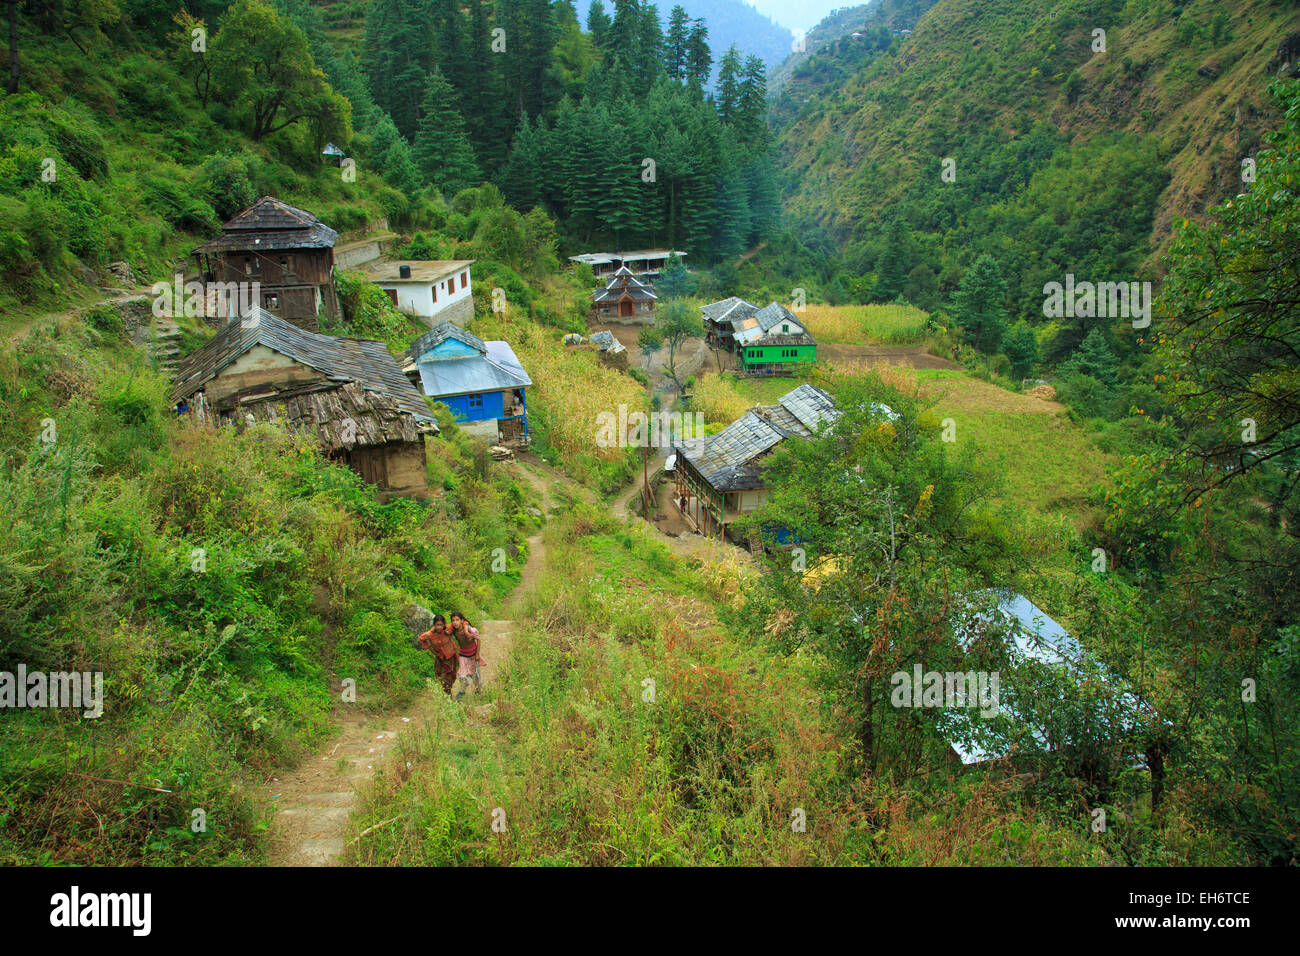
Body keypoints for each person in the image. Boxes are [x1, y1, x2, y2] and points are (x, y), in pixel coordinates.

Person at [418, 614, 458, 695]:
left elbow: (456, 624)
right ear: (434, 625)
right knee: (443, 678)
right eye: (437, 625)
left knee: (452, 677)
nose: (439, 627)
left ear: (444, 625)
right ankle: (447, 695)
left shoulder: (447, 630)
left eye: (441, 625)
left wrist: (446, 627)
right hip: (440, 659)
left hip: (450, 658)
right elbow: (421, 638)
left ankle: (448, 692)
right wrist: (429, 647)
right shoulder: (430, 634)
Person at [449, 611, 483, 700]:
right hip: (463, 655)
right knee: (462, 675)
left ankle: (477, 690)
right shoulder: (454, 630)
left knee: (475, 675)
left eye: (457, 620)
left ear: (462, 621)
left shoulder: (470, 629)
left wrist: (477, 654)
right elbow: (445, 629)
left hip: (473, 655)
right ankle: (462, 691)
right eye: (453, 620)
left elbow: (478, 640)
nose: (455, 622)